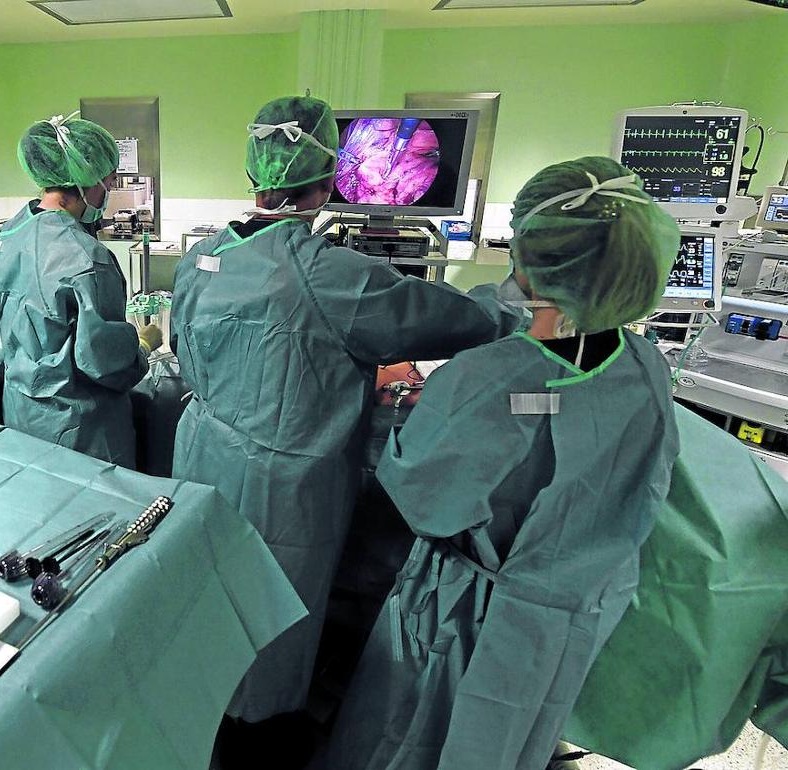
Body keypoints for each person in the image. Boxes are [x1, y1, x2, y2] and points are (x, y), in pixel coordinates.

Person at [168, 95, 522, 761]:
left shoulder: (201, 256)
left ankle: (200, 720)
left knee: (209, 599)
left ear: (254, 172)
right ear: (330, 177)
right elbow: (452, 319)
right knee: (272, 617)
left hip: (202, 456)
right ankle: (257, 743)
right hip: (283, 483)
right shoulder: (325, 273)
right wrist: (516, 296)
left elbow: (186, 356)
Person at [323, 156, 683, 770]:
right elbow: (566, 417)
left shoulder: (491, 381)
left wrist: (404, 403)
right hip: (577, 612)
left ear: (529, 258)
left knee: (415, 738)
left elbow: (423, 497)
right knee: (517, 737)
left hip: (468, 614)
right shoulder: (645, 366)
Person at [0, 111, 161, 468]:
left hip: (22, 411)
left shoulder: (11, 234)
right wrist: (141, 347)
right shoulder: (86, 258)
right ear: (86, 181)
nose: (108, 191)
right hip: (80, 429)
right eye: (109, 181)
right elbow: (104, 362)